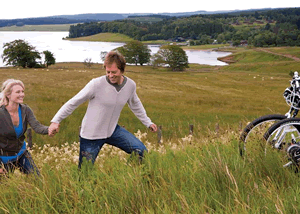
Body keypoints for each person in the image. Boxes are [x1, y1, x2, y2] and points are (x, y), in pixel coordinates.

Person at [49, 51, 157, 168]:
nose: (110, 75)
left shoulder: (130, 85)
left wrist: (148, 122)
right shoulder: (96, 84)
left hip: (112, 131)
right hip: (91, 135)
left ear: (122, 70)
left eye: (114, 72)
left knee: (141, 151)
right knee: (85, 172)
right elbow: (73, 102)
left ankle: (128, 175)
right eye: (108, 72)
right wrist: (56, 121)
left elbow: (136, 105)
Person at [0, 79, 51, 175]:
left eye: (23, 91)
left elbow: (37, 127)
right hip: (4, 159)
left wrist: (50, 129)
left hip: (21, 153)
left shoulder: (25, 110)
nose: (22, 94)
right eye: (18, 92)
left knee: (37, 178)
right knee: (5, 186)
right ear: (8, 95)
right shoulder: (1, 113)